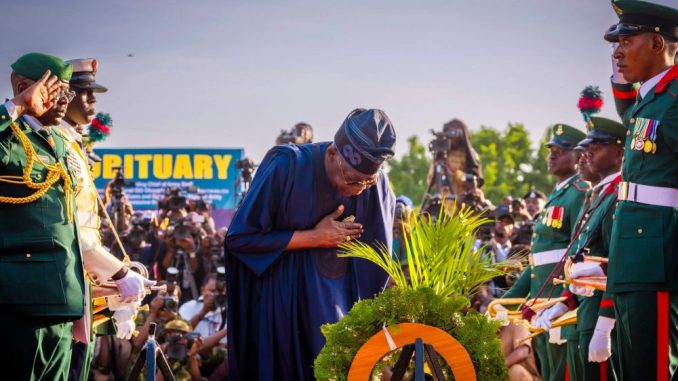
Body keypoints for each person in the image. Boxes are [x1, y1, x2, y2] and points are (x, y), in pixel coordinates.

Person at [225, 108, 396, 381]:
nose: (358, 190)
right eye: (352, 180)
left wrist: (368, 328)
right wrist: (314, 237)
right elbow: (240, 238)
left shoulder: (375, 185)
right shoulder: (286, 166)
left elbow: (376, 265)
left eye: (367, 182)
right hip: (282, 312)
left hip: (339, 314)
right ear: (331, 153)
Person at [56, 57, 153, 381]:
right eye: (84, 92)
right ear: (63, 95)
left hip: (80, 288)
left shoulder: (73, 144)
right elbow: (74, 231)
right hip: (60, 290)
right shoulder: (59, 147)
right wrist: (119, 273)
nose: (93, 100)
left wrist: (114, 289)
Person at [603, 1, 678, 379]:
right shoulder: (649, 100)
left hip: (660, 255)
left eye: (627, 41)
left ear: (656, 44)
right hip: (635, 254)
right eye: (615, 43)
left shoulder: (674, 100)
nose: (617, 51)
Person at [0, 53, 83, 379]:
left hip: (62, 297)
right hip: (23, 299)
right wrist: (16, 107)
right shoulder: (9, 136)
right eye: (56, 90)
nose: (65, 100)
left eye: (68, 92)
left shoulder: (55, 142)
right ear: (24, 86)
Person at [535, 117, 626, 380]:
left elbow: (614, 264)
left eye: (596, 146)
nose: (585, 154)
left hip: (601, 315)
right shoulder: (597, 196)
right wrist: (564, 304)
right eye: (586, 146)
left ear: (620, 153)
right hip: (584, 312)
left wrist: (604, 325)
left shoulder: (617, 194)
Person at [501, 123, 589, 381]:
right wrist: (508, 300)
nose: (552, 155)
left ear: (578, 156)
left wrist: (563, 302)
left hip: (559, 306)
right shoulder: (557, 196)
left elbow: (578, 255)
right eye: (551, 149)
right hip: (541, 306)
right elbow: (536, 263)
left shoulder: (579, 193)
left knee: (562, 374)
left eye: (560, 150)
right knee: (549, 373)